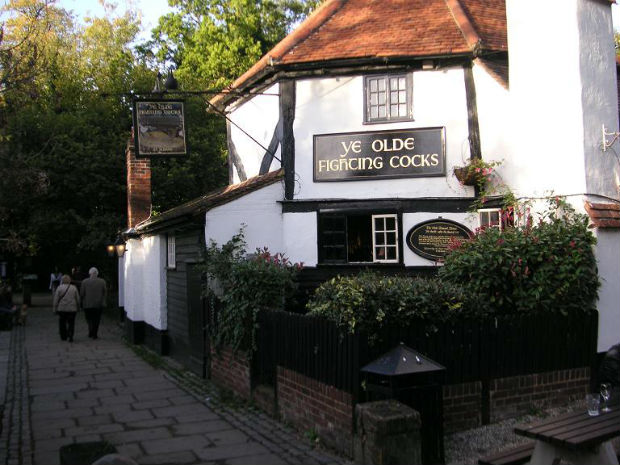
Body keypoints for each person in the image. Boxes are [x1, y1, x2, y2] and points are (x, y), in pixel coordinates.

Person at [80, 267, 106, 339]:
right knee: (97, 319)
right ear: (97, 273)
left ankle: (90, 330)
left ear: (89, 273)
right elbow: (105, 292)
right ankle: (95, 333)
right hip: (98, 304)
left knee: (89, 318)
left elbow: (82, 293)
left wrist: (81, 301)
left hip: (87, 304)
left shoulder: (84, 282)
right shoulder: (102, 281)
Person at [53, 275, 80, 342]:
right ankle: (70, 334)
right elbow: (78, 299)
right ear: (69, 280)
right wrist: (78, 307)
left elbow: (56, 299)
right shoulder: (74, 288)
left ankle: (63, 336)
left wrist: (54, 309)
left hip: (62, 309)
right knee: (71, 322)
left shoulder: (59, 288)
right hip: (72, 308)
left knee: (62, 323)